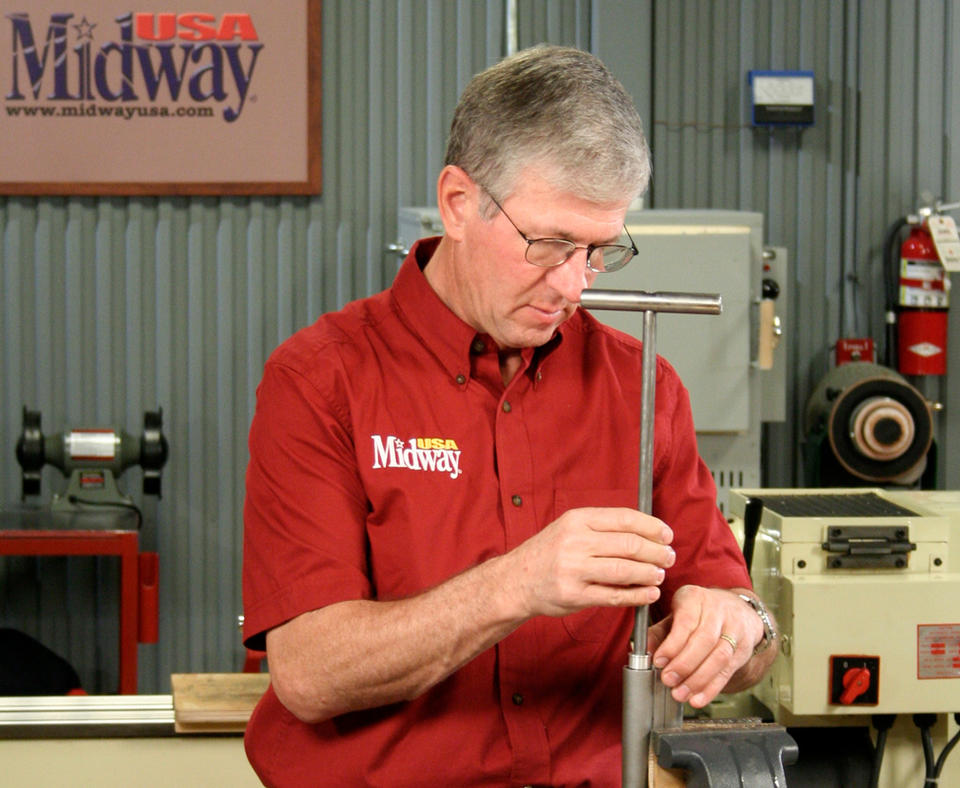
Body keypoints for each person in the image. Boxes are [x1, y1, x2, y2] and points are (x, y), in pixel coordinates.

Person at [242, 44, 778, 787]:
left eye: (599, 250)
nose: (573, 286)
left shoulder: (641, 385)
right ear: (459, 203)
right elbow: (308, 674)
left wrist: (738, 623)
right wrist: (515, 583)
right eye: (548, 244)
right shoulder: (320, 380)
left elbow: (750, 642)